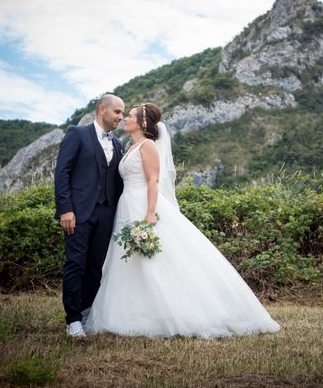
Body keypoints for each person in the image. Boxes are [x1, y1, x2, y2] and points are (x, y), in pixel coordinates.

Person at [86, 103, 280, 338]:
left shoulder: (147, 146)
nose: (125, 118)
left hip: (142, 205)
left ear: (143, 123)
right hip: (126, 205)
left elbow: (153, 181)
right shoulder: (131, 146)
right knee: (131, 260)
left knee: (155, 260)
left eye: (130, 115)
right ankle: (136, 311)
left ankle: (176, 312)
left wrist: (149, 214)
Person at [54, 94, 125, 338]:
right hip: (78, 212)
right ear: (102, 109)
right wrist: (65, 208)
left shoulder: (118, 144)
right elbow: (62, 172)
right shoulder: (77, 134)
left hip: (106, 214)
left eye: (123, 113)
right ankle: (72, 319)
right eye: (117, 112)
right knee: (75, 262)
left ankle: (85, 313)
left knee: (96, 266)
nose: (121, 117)